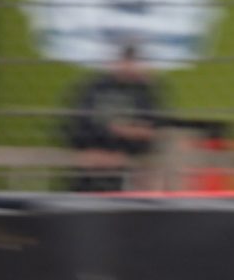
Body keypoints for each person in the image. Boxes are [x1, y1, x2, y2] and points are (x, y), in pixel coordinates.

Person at [60, 43, 165, 192]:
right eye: (126, 61)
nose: (129, 67)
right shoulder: (94, 87)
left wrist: (122, 147)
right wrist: (116, 133)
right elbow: (75, 125)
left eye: (134, 62)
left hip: (130, 164)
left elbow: (152, 131)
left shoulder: (147, 92)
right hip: (90, 159)